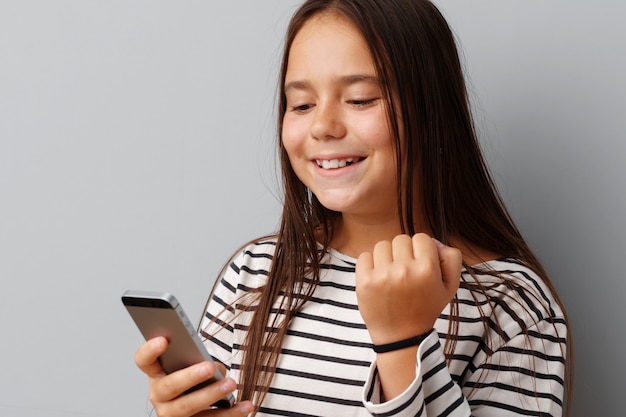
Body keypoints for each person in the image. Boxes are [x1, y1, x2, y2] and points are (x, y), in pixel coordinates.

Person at [134, 0, 571, 416]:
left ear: (432, 110)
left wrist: (402, 342)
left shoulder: (510, 305)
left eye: (360, 99)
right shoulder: (254, 274)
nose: (323, 126)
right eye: (302, 105)